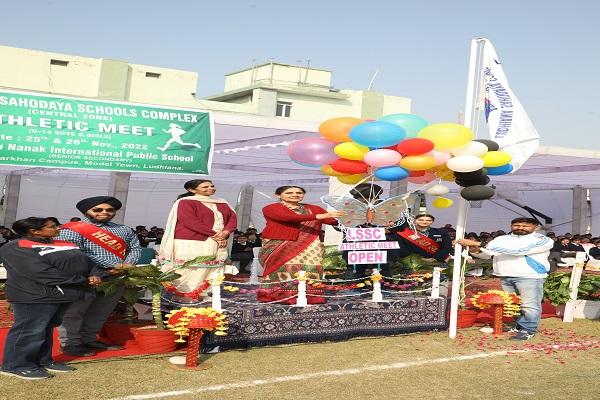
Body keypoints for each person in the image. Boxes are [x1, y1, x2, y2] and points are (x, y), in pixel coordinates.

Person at [0, 217, 100, 380]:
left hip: (61, 294)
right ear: (34, 231)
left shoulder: (64, 243)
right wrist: (82, 280)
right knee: (30, 329)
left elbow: (87, 261)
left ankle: (42, 360)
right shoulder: (15, 247)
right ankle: (16, 365)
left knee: (45, 328)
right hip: (34, 296)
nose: (58, 228)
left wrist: (94, 273)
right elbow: (40, 272)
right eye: (53, 226)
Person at [56, 196, 142, 356]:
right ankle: (69, 343)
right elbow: (75, 253)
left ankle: (89, 339)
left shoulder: (123, 229)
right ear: (86, 211)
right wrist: (112, 264)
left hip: (116, 277)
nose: (104, 212)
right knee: (74, 311)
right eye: (98, 209)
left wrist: (127, 265)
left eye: (110, 210)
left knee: (101, 310)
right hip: (86, 277)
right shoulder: (71, 229)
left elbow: (135, 248)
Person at [457, 217, 554, 341]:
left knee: (529, 305)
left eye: (525, 226)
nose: (520, 228)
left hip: (530, 275)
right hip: (505, 274)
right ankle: (519, 326)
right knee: (513, 303)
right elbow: (489, 254)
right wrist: (476, 250)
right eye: (516, 225)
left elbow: (518, 251)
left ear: (536, 227)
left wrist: (478, 243)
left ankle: (529, 330)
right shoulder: (501, 239)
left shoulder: (543, 240)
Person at [259, 186, 345, 300]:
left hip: (311, 245)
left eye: (299, 193)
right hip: (280, 245)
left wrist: (351, 221)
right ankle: (279, 296)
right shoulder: (271, 208)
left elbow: (332, 221)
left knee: (311, 270)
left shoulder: (314, 208)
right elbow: (287, 217)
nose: (295, 194)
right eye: (289, 192)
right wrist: (317, 216)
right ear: (278, 195)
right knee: (284, 269)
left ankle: (311, 297)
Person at [158, 179, 237, 298]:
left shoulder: (222, 202)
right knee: (190, 268)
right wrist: (215, 235)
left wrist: (226, 232)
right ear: (191, 189)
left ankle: (208, 296)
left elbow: (232, 218)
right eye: (205, 187)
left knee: (212, 268)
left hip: (215, 242)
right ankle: (183, 297)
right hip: (192, 241)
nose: (210, 188)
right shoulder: (185, 202)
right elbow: (189, 221)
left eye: (212, 186)